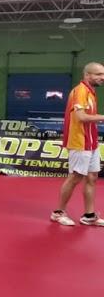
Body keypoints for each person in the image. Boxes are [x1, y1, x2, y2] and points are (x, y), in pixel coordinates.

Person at [51, 62, 104, 227]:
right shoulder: (80, 91)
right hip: (79, 141)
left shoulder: (91, 92)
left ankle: (89, 215)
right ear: (87, 75)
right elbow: (81, 117)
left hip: (91, 141)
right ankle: (58, 213)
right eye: (98, 74)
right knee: (75, 177)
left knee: (92, 176)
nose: (102, 77)